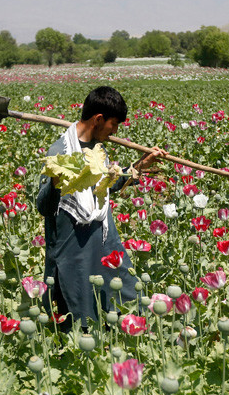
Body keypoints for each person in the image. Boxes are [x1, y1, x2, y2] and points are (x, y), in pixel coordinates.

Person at [36, 86, 166, 331]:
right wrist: (55, 181)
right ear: (98, 120)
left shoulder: (97, 150)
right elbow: (43, 206)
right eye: (113, 124)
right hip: (74, 249)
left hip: (104, 240)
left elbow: (105, 184)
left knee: (128, 299)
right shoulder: (60, 153)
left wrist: (141, 165)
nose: (115, 131)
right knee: (81, 319)